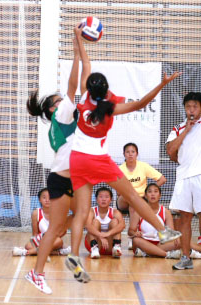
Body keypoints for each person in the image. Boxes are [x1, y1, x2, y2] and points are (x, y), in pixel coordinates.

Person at [65, 28, 182, 283]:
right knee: (131, 194)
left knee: (82, 211)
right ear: (106, 89)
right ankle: (163, 232)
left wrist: (77, 36)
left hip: (77, 159)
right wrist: (162, 83)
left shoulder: (84, 98)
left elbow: (85, 61)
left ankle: (73, 257)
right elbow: (140, 104)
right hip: (97, 159)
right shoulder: (111, 107)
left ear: (89, 88)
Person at [24, 27, 85, 294]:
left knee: (73, 220)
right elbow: (74, 85)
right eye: (58, 100)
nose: (63, 100)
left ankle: (74, 259)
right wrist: (76, 51)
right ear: (52, 108)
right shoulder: (61, 115)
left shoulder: (65, 119)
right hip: (62, 177)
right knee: (57, 228)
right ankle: (36, 273)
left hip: (75, 176)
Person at [166, 92, 201, 270]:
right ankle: (186, 257)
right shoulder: (178, 128)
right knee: (184, 218)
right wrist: (186, 130)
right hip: (183, 178)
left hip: (200, 177)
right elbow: (171, 151)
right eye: (188, 106)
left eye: (195, 106)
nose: (191, 110)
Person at [117, 142, 166, 249]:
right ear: (124, 154)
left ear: (137, 154)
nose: (130, 154)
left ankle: (132, 237)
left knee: (134, 204)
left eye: (133, 152)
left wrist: (148, 191)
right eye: (127, 152)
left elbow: (162, 179)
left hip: (140, 200)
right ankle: (132, 236)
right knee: (131, 200)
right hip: (123, 200)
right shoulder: (120, 169)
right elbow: (118, 192)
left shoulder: (143, 166)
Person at [12, 188, 71, 257]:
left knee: (59, 241)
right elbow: (35, 234)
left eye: (50, 197)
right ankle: (57, 252)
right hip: (40, 240)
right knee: (28, 245)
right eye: (44, 197)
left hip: (53, 240)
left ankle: (24, 252)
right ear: (40, 200)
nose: (47, 200)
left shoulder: (59, 213)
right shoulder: (36, 213)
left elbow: (63, 231)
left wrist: (50, 240)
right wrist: (39, 242)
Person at [85, 186, 125, 258]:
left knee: (115, 221)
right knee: (95, 222)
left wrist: (107, 234)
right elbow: (87, 226)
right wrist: (100, 235)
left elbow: (122, 225)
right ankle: (94, 248)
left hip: (108, 244)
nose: (103, 199)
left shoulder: (115, 212)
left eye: (106, 197)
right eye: (101, 197)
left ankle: (116, 248)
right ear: (96, 199)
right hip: (94, 242)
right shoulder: (91, 211)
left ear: (111, 200)